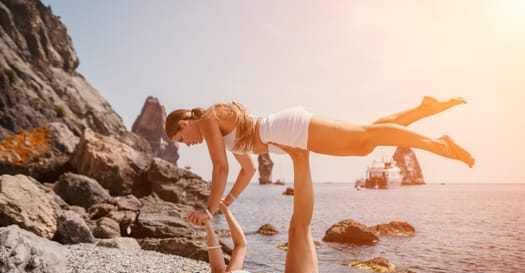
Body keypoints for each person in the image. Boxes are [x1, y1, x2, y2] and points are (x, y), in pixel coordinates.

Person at [165, 96, 475, 225]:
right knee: (365, 143)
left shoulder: (207, 118)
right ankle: (423, 109)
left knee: (366, 136)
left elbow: (221, 168)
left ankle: (439, 144)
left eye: (181, 140)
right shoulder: (218, 129)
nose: (188, 145)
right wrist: (226, 202)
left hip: (287, 129)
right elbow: (246, 170)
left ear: (182, 124)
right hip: (285, 136)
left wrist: (208, 208)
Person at [149, 148, 323, 273]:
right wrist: (208, 224)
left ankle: (301, 155)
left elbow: (241, 245)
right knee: (298, 228)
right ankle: (300, 155)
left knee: (298, 227)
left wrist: (226, 211)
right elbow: (217, 269)